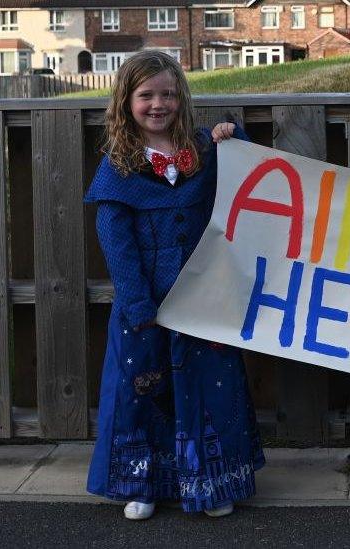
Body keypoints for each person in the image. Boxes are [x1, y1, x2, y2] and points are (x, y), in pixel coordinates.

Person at [84, 50, 264, 520]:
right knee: (145, 392)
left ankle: (212, 481)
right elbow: (116, 244)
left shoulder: (204, 152)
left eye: (167, 94)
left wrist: (234, 137)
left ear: (181, 99)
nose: (157, 104)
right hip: (145, 307)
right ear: (126, 102)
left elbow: (245, 181)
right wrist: (138, 305)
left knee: (209, 389)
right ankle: (141, 483)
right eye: (146, 95)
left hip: (202, 300)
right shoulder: (118, 169)